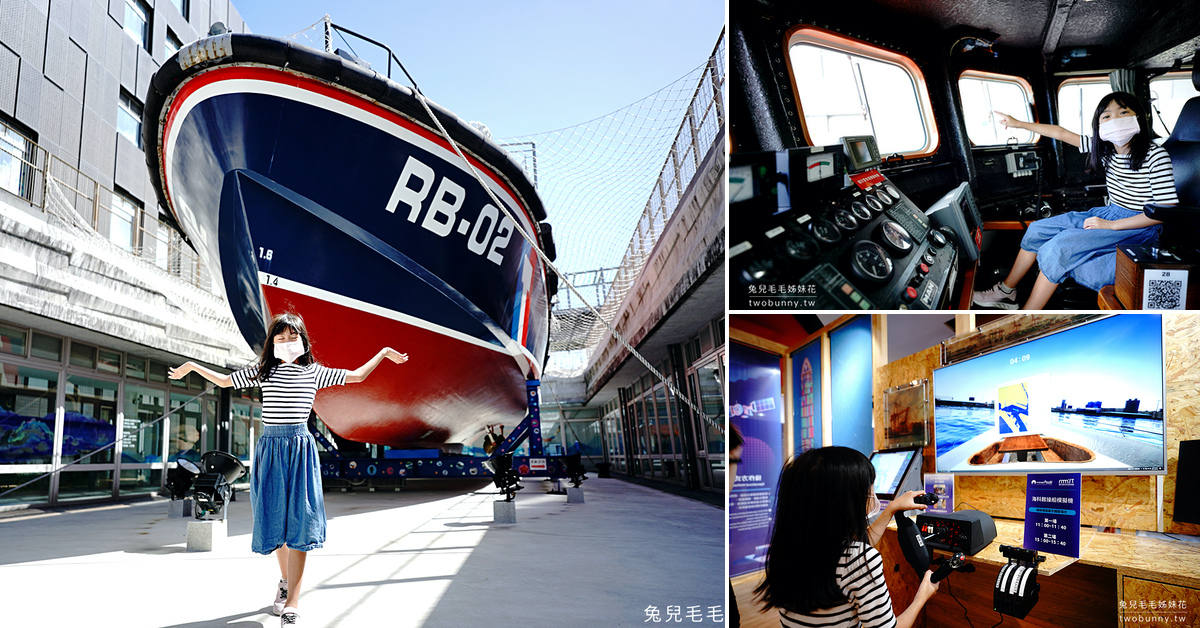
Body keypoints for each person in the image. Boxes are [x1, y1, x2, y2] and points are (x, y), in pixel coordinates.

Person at [169, 312, 408, 627]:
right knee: (275, 521)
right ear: (272, 343)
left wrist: (383, 354)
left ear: (302, 340)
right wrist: (193, 367)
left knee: (300, 522)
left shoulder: (314, 373)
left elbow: (357, 376)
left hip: (299, 449)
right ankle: (285, 580)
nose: (285, 342)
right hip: (270, 449)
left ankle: (293, 601)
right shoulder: (263, 371)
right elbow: (226, 381)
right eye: (279, 337)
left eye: (291, 336)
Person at [973, 92, 1178, 310]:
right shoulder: (1105, 149)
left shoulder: (1156, 155)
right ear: (1099, 126)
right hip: (1110, 213)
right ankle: (1006, 292)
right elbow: (1060, 133)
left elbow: (1164, 212)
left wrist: (1112, 225)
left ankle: (1025, 316)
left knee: (1058, 249)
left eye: (1123, 112)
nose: (1116, 120)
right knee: (1037, 230)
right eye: (1106, 116)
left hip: (1138, 226)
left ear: (1138, 117)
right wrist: (1018, 124)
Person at [754, 446, 939, 628]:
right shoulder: (860, 560)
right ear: (844, 501)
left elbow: (851, 556)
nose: (872, 495)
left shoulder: (790, 548)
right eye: (868, 489)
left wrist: (891, 509)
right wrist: (921, 597)